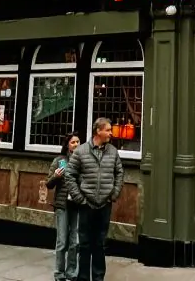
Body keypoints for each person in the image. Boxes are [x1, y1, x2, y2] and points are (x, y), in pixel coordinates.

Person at [65, 118, 124, 281]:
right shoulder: (81, 151)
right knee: (84, 244)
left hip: (104, 204)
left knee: (99, 244)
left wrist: (114, 193)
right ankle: (83, 278)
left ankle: (98, 278)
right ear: (98, 131)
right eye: (108, 130)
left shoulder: (112, 151)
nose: (111, 133)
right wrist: (79, 198)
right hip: (86, 204)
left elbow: (119, 172)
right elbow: (69, 174)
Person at [47, 132, 81, 281]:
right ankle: (59, 274)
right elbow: (49, 184)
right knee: (62, 241)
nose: (76, 145)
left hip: (77, 204)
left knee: (76, 241)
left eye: (78, 142)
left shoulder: (82, 161)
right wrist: (55, 176)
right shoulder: (59, 160)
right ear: (67, 145)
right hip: (63, 205)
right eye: (73, 142)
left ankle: (71, 273)